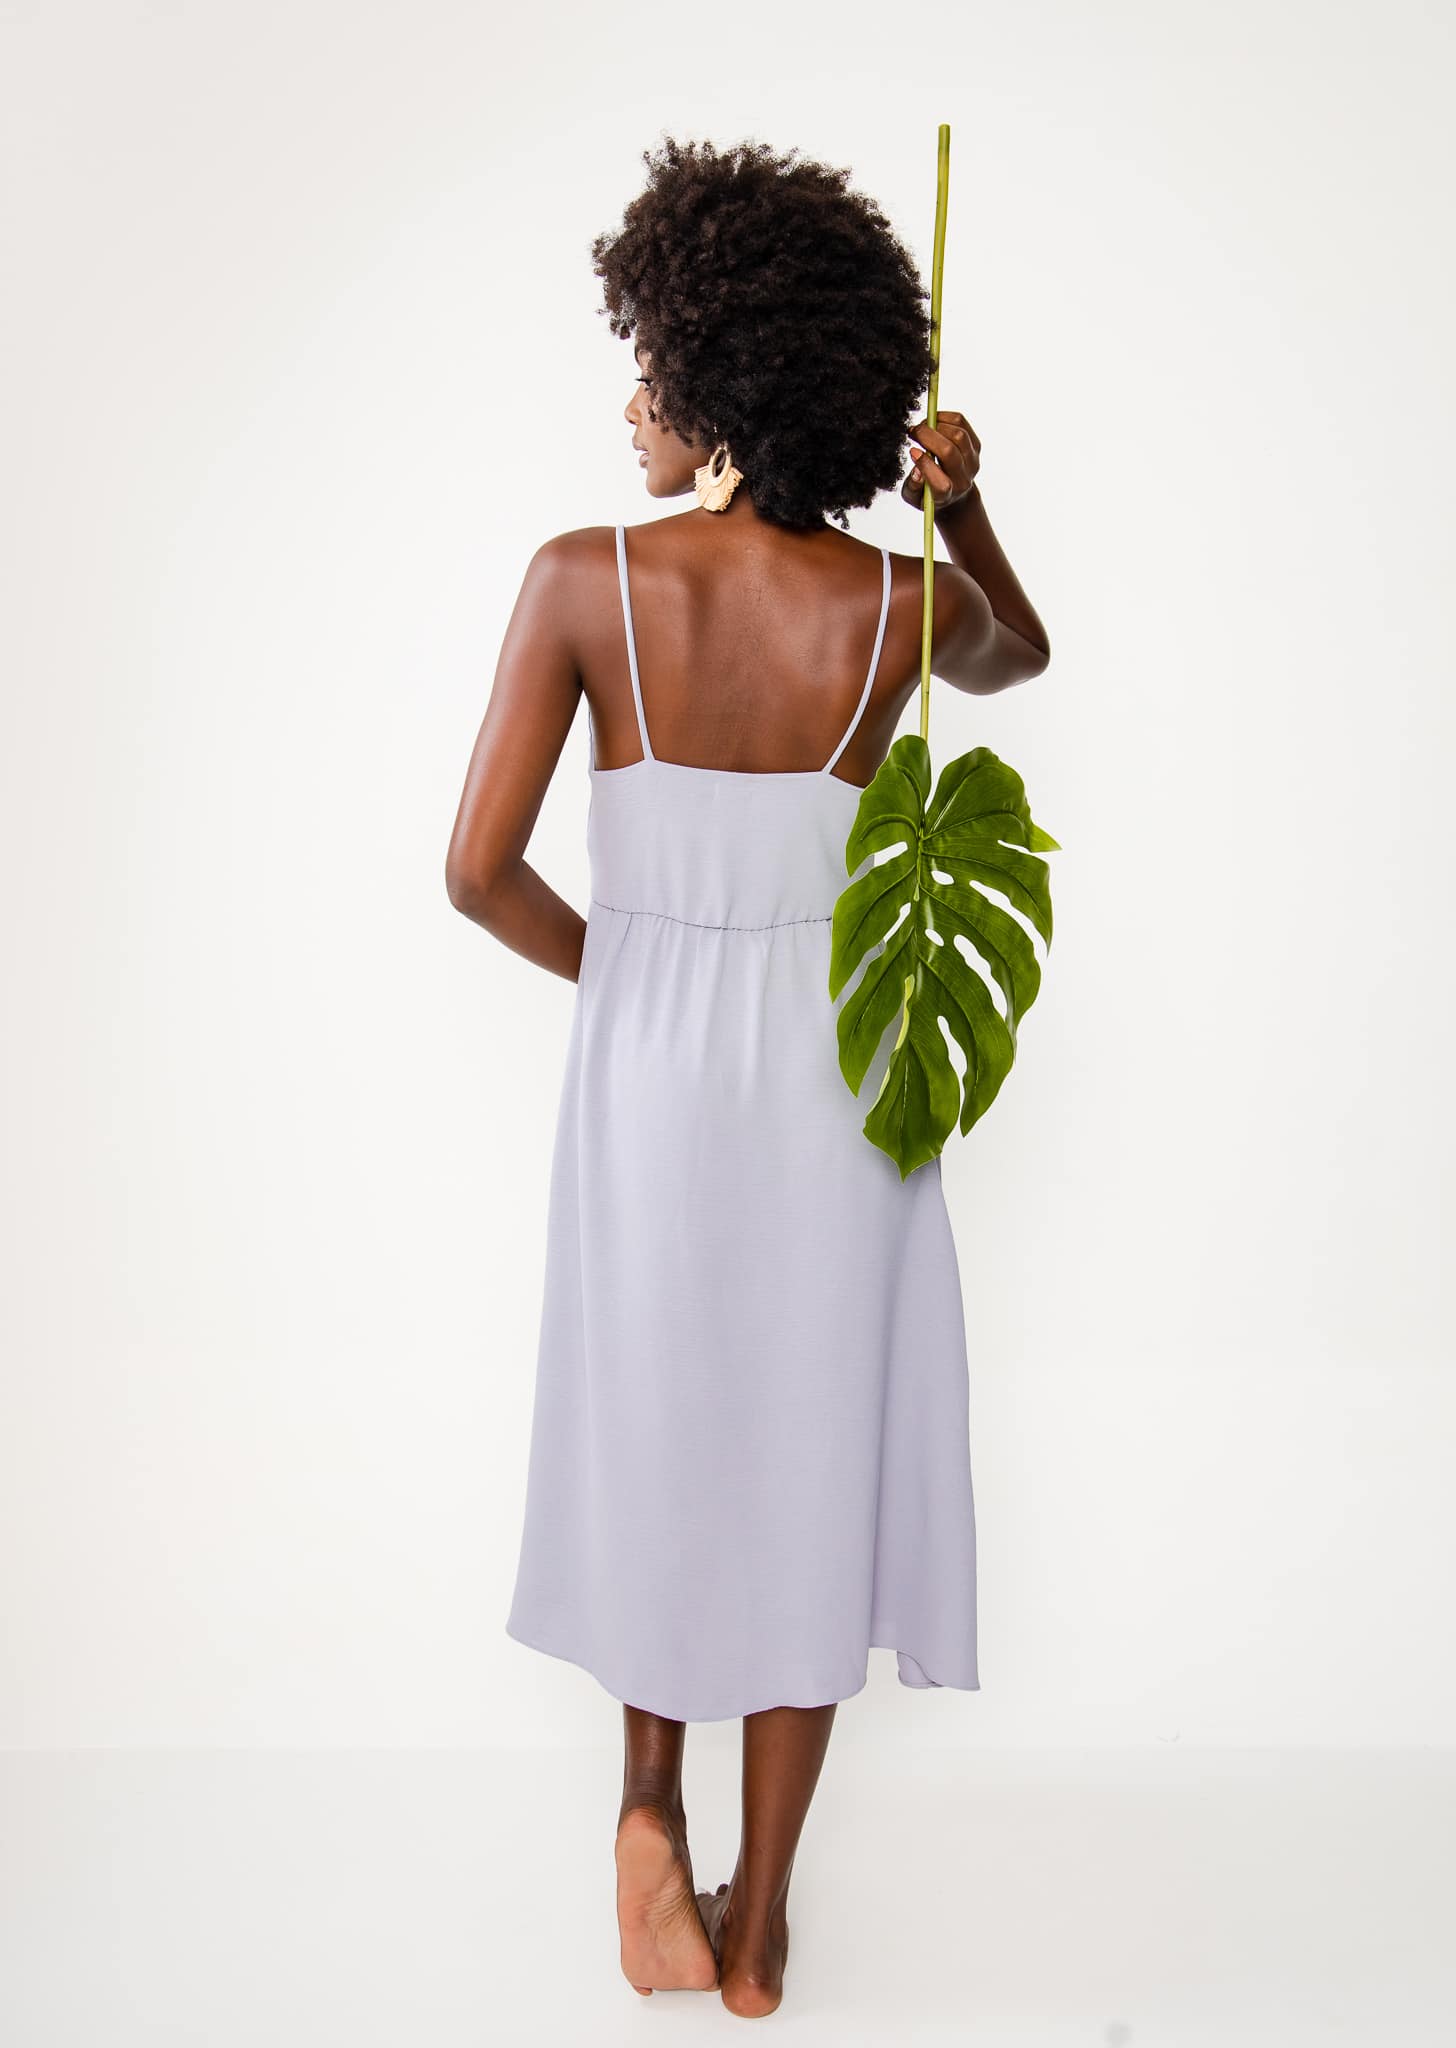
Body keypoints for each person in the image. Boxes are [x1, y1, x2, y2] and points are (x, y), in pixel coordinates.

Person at [445, 134, 1051, 2019]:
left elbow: (477, 874)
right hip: (843, 1070)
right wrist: (961, 510)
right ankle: (763, 1921)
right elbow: (1019, 656)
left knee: (661, 1420)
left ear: (718, 376)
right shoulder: (892, 611)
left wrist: (631, 976)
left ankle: (648, 1803)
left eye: (652, 363)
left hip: (652, 1075)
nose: (633, 401)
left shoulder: (585, 580)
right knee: (805, 1449)